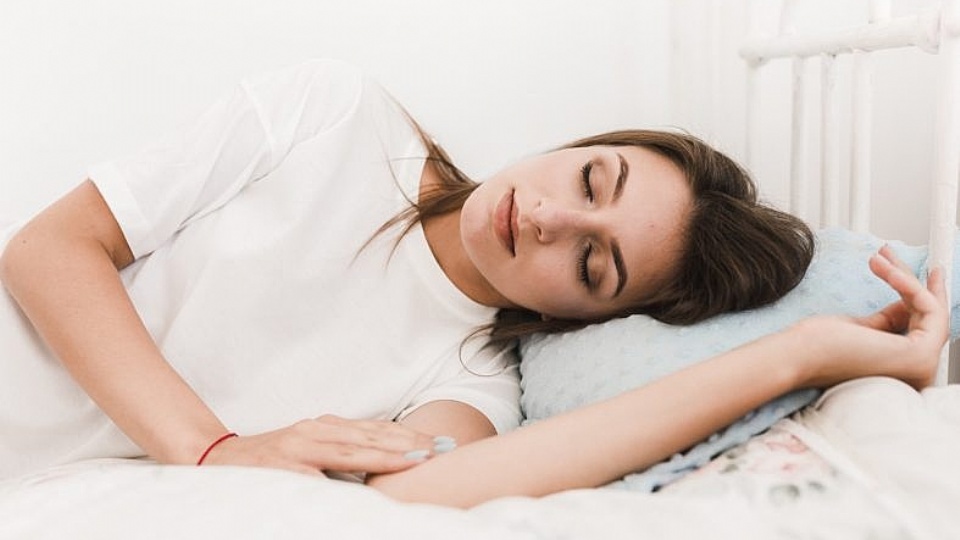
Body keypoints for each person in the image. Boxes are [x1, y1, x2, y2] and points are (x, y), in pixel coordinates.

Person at [0, 60, 946, 508]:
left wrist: (800, 355)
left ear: (590, 318)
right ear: (582, 146)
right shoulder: (335, 117)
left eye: (593, 264)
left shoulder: (469, 380)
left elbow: (426, 495)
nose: (550, 220)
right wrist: (212, 450)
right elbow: (48, 250)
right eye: (592, 181)